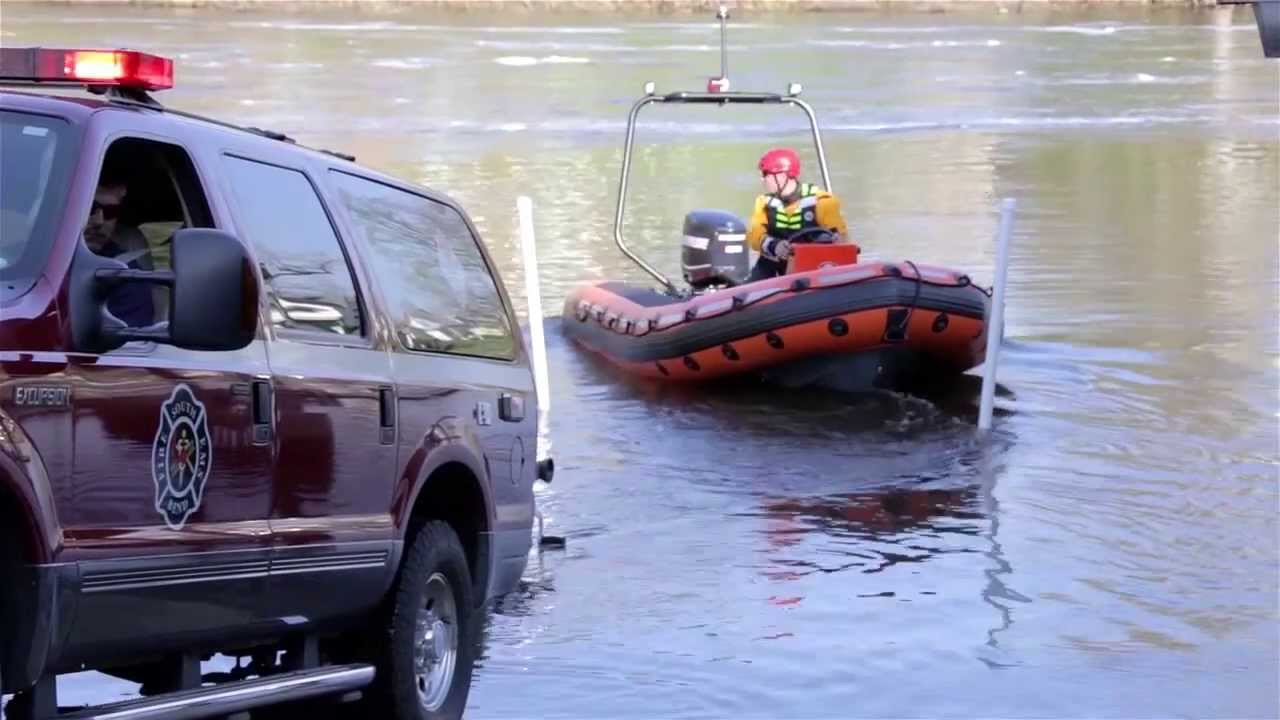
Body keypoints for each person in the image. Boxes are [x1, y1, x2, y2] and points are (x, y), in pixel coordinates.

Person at [745, 148, 851, 282]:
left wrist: (835, 239)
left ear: (783, 174)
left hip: (811, 267)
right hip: (774, 265)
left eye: (766, 173)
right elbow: (754, 236)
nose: (762, 179)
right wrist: (775, 246)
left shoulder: (822, 201)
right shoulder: (763, 203)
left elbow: (841, 237)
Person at [84, 169, 155, 327]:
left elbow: (127, 346)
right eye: (89, 208)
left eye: (110, 212)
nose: (99, 221)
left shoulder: (126, 276)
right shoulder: (25, 260)